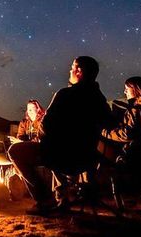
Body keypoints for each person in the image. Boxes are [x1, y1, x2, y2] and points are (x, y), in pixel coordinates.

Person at [9, 56, 111, 214]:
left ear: (79, 71)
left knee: (15, 151)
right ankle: (60, 197)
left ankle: (45, 201)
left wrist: (45, 139)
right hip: (87, 158)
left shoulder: (65, 95)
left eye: (72, 67)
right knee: (51, 149)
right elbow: (108, 124)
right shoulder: (100, 100)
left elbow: (46, 127)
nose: (69, 71)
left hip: (63, 157)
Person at [101, 76, 141, 168]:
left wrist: (105, 133)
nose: (125, 92)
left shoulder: (136, 109)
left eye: (127, 89)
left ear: (136, 89)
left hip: (136, 155)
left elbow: (126, 134)